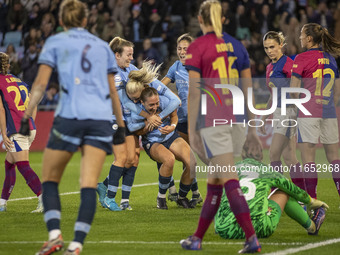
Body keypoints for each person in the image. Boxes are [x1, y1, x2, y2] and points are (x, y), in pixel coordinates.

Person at [19, 0, 125, 254]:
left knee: (49, 180)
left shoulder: (55, 42)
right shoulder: (102, 47)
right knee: (88, 184)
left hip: (70, 116)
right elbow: (112, 91)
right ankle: (76, 245)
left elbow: (41, 85)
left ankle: (55, 235)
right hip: (100, 120)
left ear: (62, 21)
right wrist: (120, 127)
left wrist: (26, 116)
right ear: (86, 20)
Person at [180, 1, 262, 253]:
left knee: (228, 178)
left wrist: (192, 130)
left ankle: (251, 239)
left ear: (200, 19)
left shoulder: (198, 47)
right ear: (223, 20)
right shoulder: (238, 46)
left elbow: (194, 92)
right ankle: (196, 238)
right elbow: (248, 91)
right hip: (236, 120)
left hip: (214, 120)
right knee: (214, 181)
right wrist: (251, 128)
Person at [97, 38, 181, 211]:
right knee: (123, 158)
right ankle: (110, 197)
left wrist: (159, 92)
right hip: (115, 119)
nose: (131, 58)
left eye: (132, 54)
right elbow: (126, 103)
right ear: (117, 55)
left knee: (133, 159)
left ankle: (107, 189)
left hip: (130, 121)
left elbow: (146, 85)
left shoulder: (131, 69)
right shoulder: (112, 73)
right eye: (128, 55)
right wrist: (148, 116)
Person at [125, 66, 194, 209]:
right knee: (169, 160)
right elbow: (134, 130)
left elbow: (174, 115)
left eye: (157, 103)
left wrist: (172, 126)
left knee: (192, 163)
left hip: (170, 136)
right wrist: (146, 125)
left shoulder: (162, 100)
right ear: (142, 103)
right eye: (151, 105)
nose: (155, 106)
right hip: (152, 141)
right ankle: (161, 197)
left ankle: (182, 197)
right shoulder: (136, 109)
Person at [215, 156, 328, 239]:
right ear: (260, 157)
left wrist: (218, 225)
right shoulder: (265, 170)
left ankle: (220, 225)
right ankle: (312, 227)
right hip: (259, 227)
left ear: (243, 156)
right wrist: (310, 201)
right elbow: (292, 189)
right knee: (284, 191)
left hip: (227, 229)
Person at [290, 23, 340, 201]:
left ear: (309, 38)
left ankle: (312, 202)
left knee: (308, 159)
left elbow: (294, 92)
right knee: (334, 158)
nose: (300, 37)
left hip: (308, 112)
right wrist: (326, 106)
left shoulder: (301, 58)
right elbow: (337, 93)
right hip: (329, 112)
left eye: (302, 34)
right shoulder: (331, 59)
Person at [259, 31, 305, 190]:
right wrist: (264, 117)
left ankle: (277, 193)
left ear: (281, 45)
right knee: (290, 157)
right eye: (266, 48)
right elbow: (273, 96)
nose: (269, 51)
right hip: (279, 112)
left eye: (272, 47)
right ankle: (303, 195)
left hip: (289, 112)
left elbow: (298, 88)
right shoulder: (269, 67)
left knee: (273, 154)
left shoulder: (288, 63)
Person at [161, 33, 203, 206]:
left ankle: (192, 193)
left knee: (198, 160)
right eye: (179, 49)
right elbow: (160, 86)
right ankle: (186, 195)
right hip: (182, 121)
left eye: (186, 49)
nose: (182, 52)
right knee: (187, 159)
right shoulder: (176, 67)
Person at [0, 52, 42, 213]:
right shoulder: (19, 81)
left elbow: (2, 111)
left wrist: (4, 134)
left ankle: (43, 198)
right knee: (9, 163)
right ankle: (2, 203)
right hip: (29, 128)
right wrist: (32, 123)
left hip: (16, 130)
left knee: (23, 166)